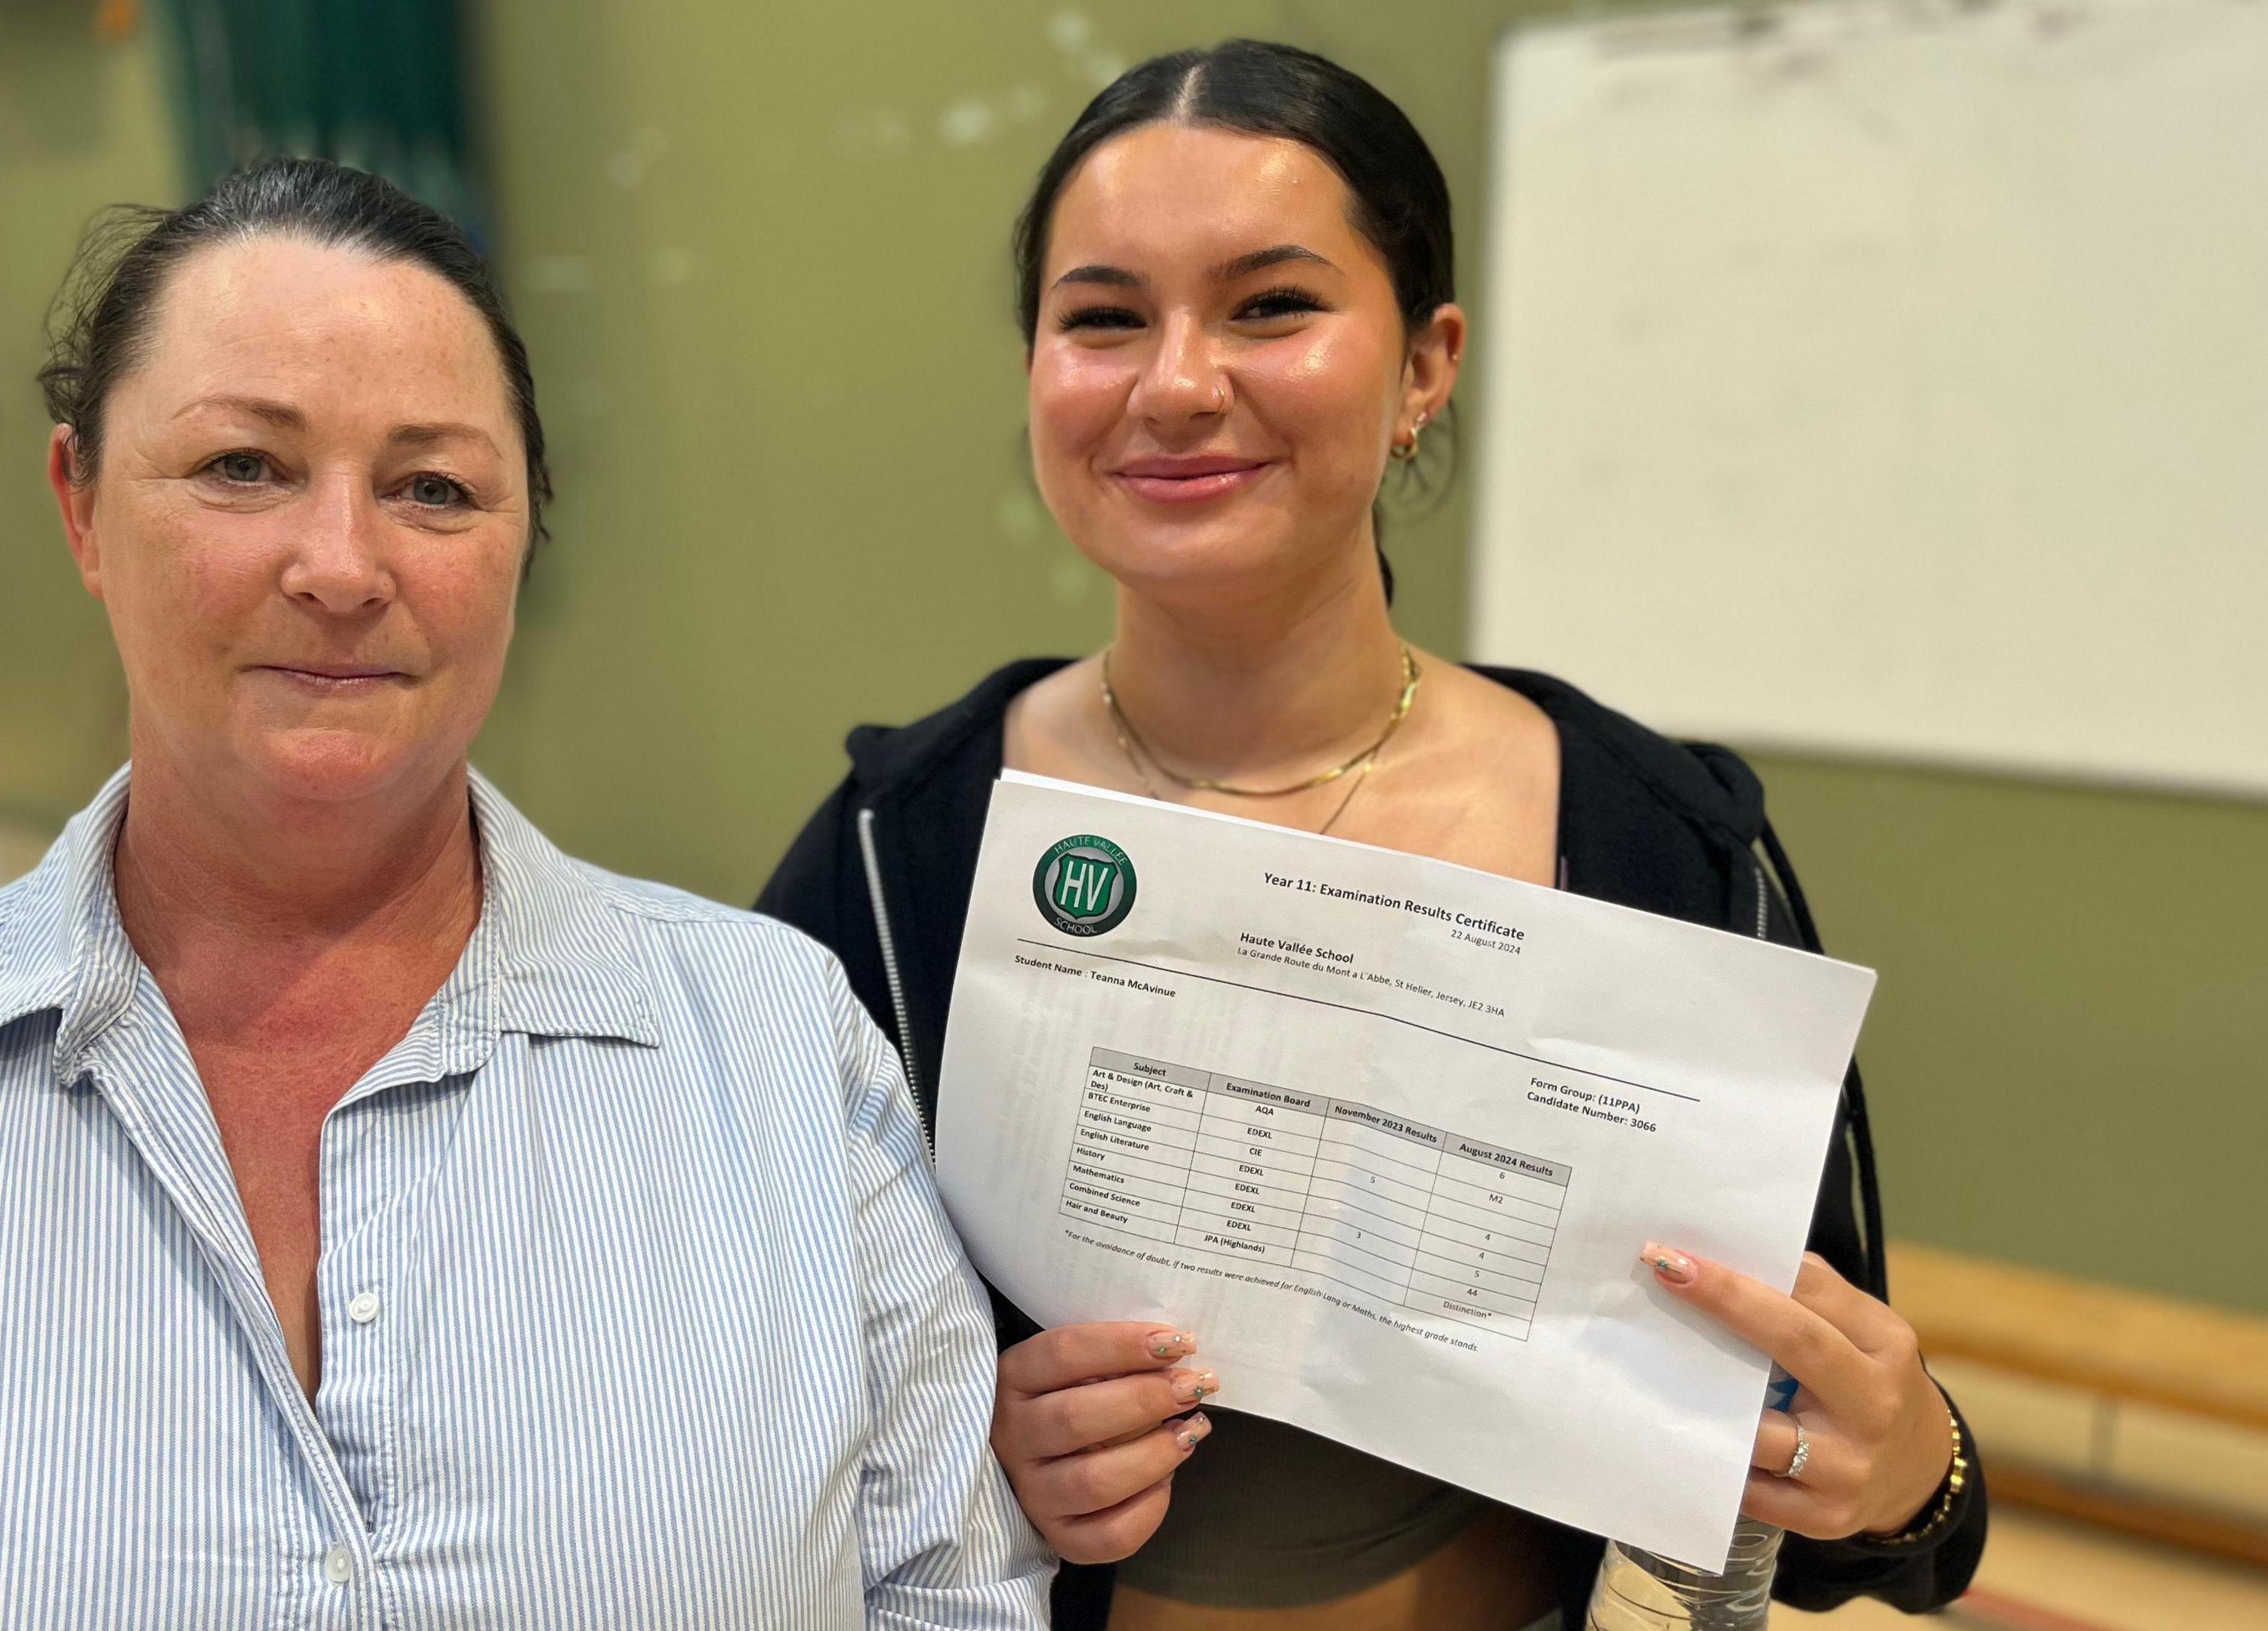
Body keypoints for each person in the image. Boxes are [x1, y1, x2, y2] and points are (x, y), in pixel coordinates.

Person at [0, 159, 1050, 1629]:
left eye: (435, 487)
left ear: (524, 538)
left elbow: (948, 1598)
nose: (341, 564)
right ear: (79, 503)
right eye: (243, 467)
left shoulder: (782, 1050)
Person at [760, 40, 1983, 1631]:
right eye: (1104, 317)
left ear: (1424, 365)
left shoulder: (1660, 846)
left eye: (1271, 304)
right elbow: (718, 1402)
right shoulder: (894, 853)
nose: (1178, 381)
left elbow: (1844, 1495)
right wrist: (957, 1462)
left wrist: (1907, 1473)